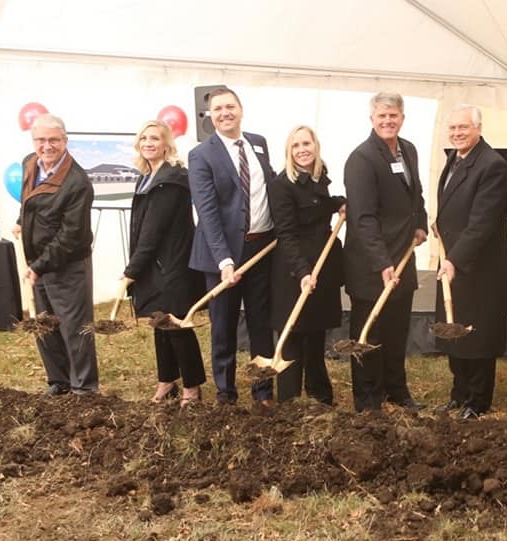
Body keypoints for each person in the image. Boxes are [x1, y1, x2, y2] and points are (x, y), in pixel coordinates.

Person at [188, 87, 276, 406]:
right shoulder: (201, 154)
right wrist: (224, 260)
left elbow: (271, 185)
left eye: (230, 106)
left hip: (261, 248)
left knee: (261, 323)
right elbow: (207, 211)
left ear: (241, 109)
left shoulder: (258, 143)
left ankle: (263, 391)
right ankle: (226, 394)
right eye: (218, 109)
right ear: (209, 115)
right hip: (221, 255)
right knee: (223, 325)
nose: (225, 113)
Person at [343, 92, 429, 412]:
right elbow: (362, 218)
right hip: (370, 263)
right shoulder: (361, 159)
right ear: (372, 119)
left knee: (396, 329)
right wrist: (381, 262)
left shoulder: (409, 150)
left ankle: (396, 390)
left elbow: (415, 194)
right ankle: (368, 400)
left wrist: (420, 222)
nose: (388, 121)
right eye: (382, 116)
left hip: (403, 257)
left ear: (402, 118)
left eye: (393, 115)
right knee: (369, 331)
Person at [432, 105, 507, 420]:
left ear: (478, 127)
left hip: (477, 265)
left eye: (463, 127)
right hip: (452, 258)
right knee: (456, 331)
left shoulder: (492, 165)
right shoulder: (455, 157)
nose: (456, 133)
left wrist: (455, 259)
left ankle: (478, 401)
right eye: (452, 128)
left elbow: (483, 222)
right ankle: (459, 392)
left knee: (477, 334)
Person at [12, 113, 99, 396]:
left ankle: (84, 389)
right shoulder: (30, 163)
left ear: (65, 141)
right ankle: (58, 382)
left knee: (75, 329)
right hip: (39, 262)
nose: (46, 146)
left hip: (68, 264)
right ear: (32, 140)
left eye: (53, 140)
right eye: (40, 139)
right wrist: (20, 220)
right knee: (45, 327)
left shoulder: (77, 182)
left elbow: (70, 236)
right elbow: (29, 200)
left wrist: (38, 266)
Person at [123, 120, 206, 407]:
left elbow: (153, 231)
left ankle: (192, 388)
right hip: (156, 266)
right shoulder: (147, 176)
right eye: (144, 138)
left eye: (155, 138)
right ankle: (167, 380)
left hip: (173, 266)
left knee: (178, 326)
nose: (148, 143)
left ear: (166, 143)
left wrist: (130, 272)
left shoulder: (171, 180)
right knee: (160, 324)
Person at [267, 125, 345, 405]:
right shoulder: (281, 185)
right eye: (296, 145)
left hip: (322, 264)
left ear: (316, 146)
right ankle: (288, 401)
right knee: (292, 334)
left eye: (306, 144)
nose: (302, 150)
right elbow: (285, 234)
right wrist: (302, 271)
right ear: (289, 151)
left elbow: (319, 205)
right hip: (294, 269)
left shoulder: (319, 177)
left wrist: (340, 204)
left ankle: (319, 395)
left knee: (316, 332)